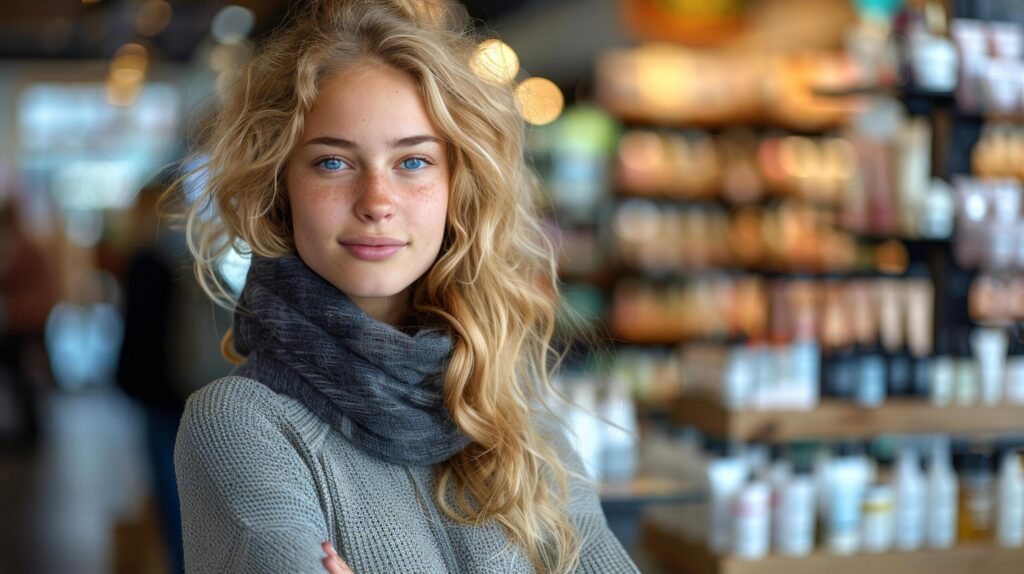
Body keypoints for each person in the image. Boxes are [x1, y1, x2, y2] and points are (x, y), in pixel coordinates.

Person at [172, 1, 639, 573]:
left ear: (456, 185)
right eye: (333, 164)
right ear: (280, 185)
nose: (377, 203)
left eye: (413, 162)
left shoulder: (510, 407)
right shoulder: (240, 425)